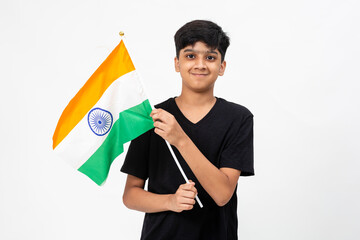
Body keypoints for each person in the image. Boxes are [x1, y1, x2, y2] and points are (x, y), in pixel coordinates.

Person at [121, 20, 254, 240]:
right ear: (177, 63)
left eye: (210, 57)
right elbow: (130, 195)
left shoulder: (238, 118)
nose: (200, 64)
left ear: (222, 66)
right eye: (190, 56)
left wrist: (180, 139)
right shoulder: (153, 117)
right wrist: (171, 201)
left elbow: (222, 195)